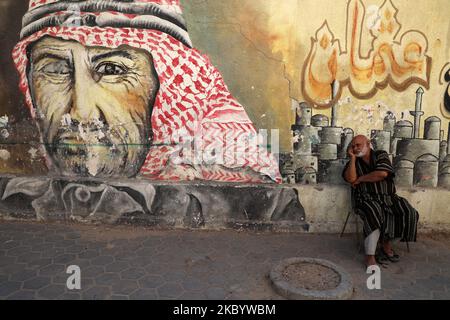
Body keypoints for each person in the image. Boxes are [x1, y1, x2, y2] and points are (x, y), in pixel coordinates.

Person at [12, 0, 281, 183]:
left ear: (164, 84)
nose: (80, 111)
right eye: (56, 71)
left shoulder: (237, 180)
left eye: (112, 70)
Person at [342, 135, 419, 268]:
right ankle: (370, 256)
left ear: (368, 144)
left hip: (389, 197)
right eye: (353, 146)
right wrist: (353, 158)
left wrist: (360, 180)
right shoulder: (353, 163)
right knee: (374, 213)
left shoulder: (380, 155)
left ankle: (386, 242)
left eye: (358, 145)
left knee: (409, 213)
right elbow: (350, 178)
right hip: (365, 199)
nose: (355, 148)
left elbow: (382, 173)